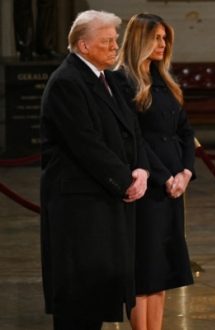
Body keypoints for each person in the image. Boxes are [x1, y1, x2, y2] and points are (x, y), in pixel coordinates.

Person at [40, 10, 149, 329]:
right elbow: (85, 143)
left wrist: (141, 168)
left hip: (106, 199)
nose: (115, 47)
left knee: (99, 290)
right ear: (84, 46)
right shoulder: (67, 82)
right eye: (107, 41)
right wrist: (125, 179)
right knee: (79, 298)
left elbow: (133, 131)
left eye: (115, 40)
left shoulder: (110, 80)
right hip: (80, 207)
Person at [112, 13, 195, 330]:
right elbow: (134, 138)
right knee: (144, 269)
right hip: (147, 184)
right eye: (157, 38)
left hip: (174, 185)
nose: (163, 44)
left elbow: (186, 132)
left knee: (162, 269)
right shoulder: (121, 81)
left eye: (165, 39)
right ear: (139, 40)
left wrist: (186, 172)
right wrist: (164, 176)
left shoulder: (165, 81)